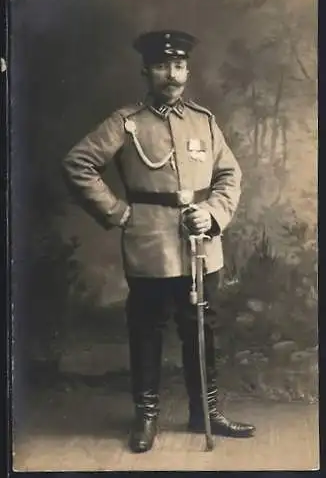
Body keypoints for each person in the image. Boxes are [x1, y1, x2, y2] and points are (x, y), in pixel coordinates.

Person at [62, 30, 256, 453]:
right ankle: (146, 417)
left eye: (180, 65)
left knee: (202, 329)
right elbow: (78, 164)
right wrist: (117, 212)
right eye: (164, 66)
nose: (173, 74)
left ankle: (205, 413)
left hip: (203, 246)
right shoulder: (127, 122)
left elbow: (230, 176)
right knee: (147, 332)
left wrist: (215, 213)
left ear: (187, 70)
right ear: (147, 70)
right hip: (151, 246)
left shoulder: (204, 121)